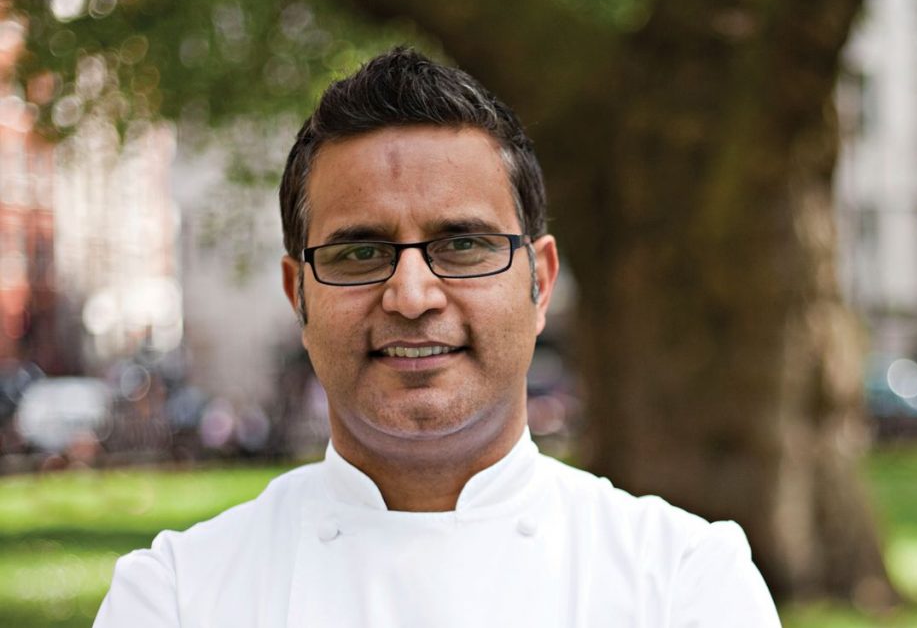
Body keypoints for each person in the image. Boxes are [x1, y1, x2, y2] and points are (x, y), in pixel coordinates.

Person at [94, 48, 781, 627]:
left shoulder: (683, 583)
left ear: (540, 282)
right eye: (360, 253)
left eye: (463, 245)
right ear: (298, 295)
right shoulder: (179, 596)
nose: (413, 295)